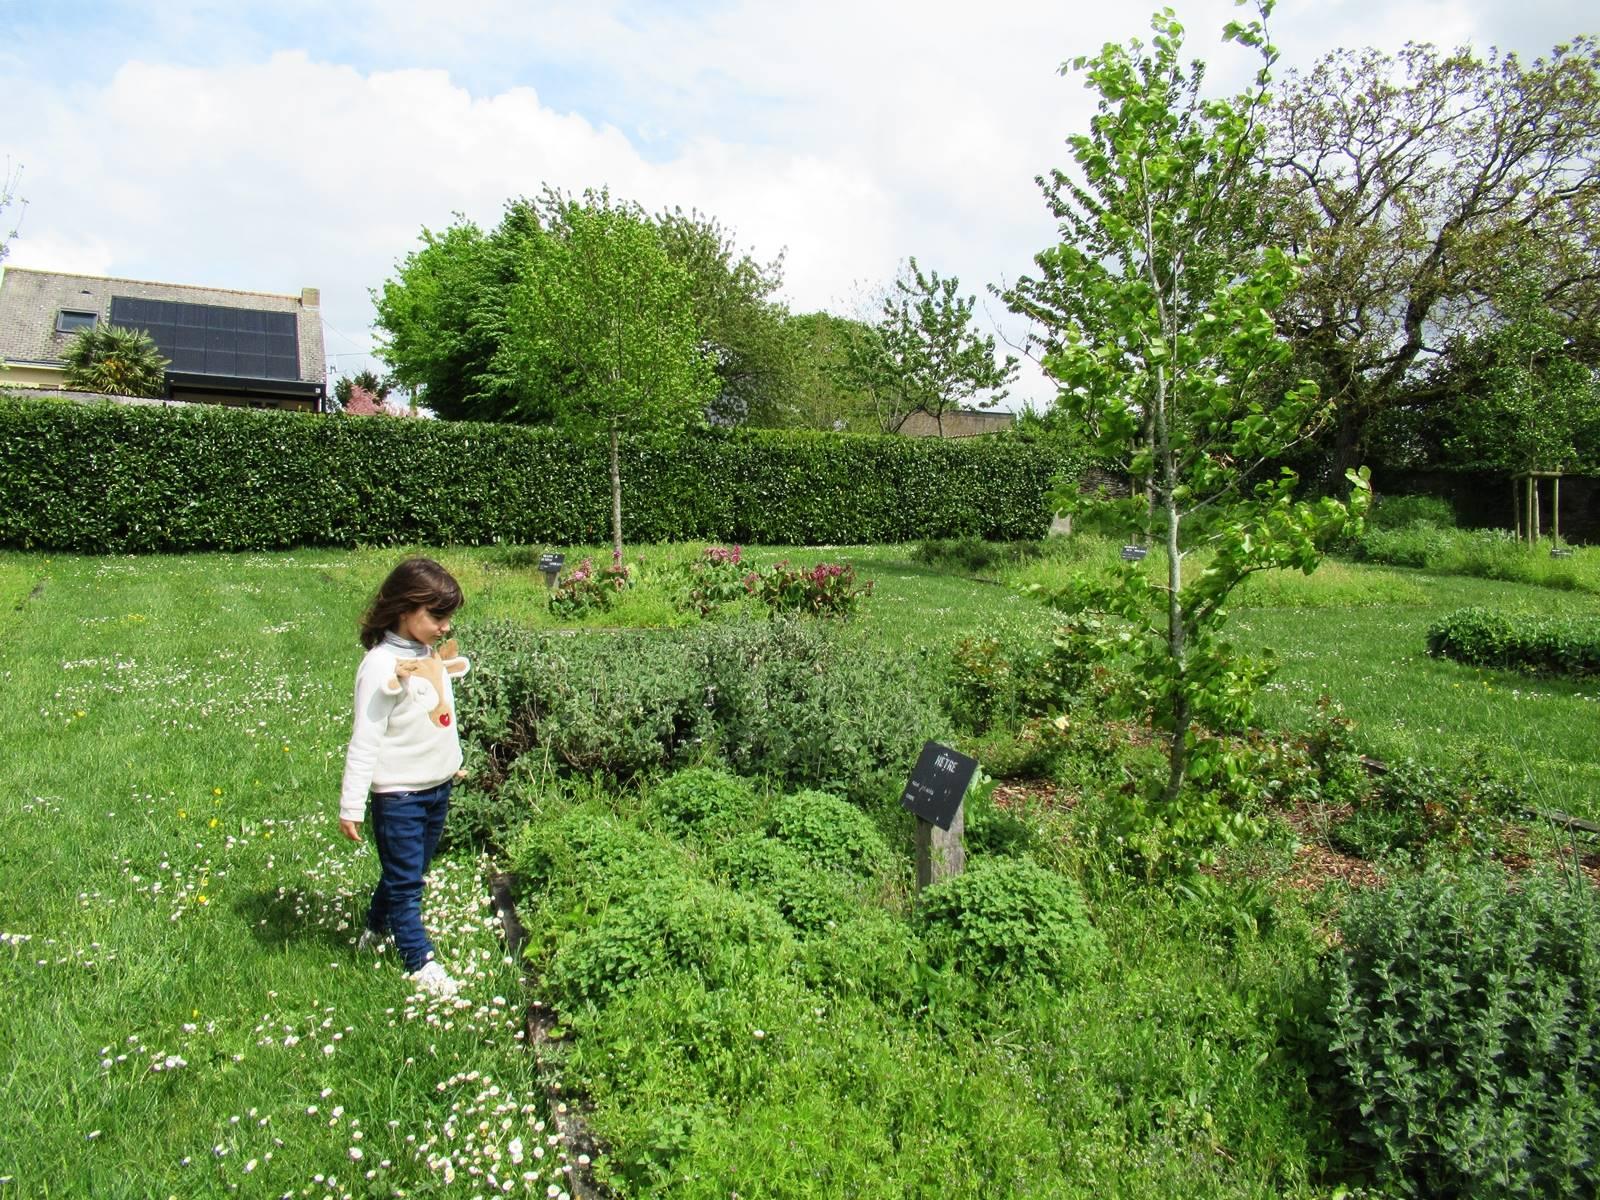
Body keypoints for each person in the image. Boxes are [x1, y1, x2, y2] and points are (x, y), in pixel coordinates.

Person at [338, 557, 470, 997]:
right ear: (403, 608)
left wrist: (450, 762)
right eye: (437, 616)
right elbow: (366, 738)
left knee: (408, 871)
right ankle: (420, 962)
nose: (445, 627)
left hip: (436, 788)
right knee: (407, 883)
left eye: (448, 617)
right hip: (399, 797)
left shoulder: (425, 653)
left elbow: (438, 719)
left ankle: (375, 929)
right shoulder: (381, 665)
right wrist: (351, 805)